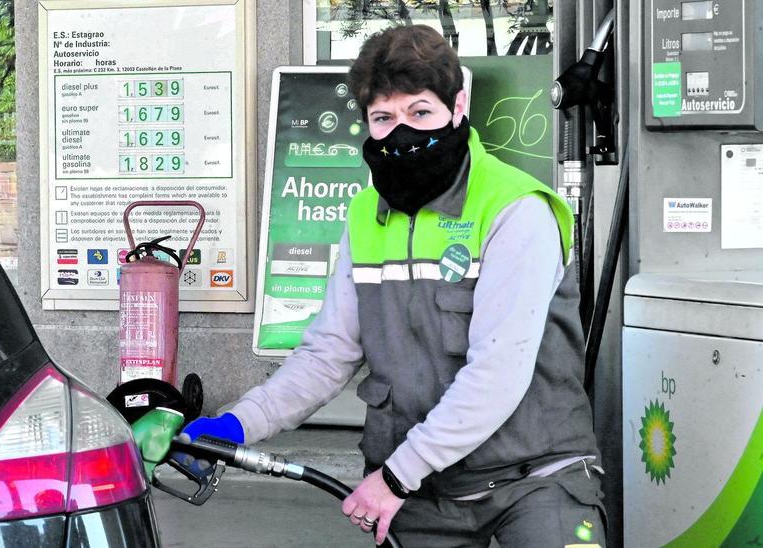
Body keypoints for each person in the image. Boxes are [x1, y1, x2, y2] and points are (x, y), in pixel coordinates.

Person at [183, 25, 606, 547]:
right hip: (423, 492)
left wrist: (394, 477)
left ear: (459, 105)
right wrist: (238, 425)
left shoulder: (515, 209)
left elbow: (498, 371)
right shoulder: (365, 215)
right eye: (384, 119)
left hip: (533, 480)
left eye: (420, 113)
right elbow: (327, 354)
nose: (402, 133)